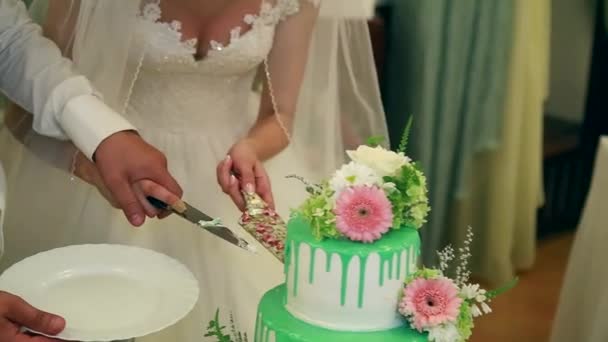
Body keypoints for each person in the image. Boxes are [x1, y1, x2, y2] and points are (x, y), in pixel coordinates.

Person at [1, 0, 388, 340]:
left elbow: (282, 114)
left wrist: (251, 148)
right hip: (118, 168)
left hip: (231, 179)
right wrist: (93, 166)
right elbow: (23, 107)